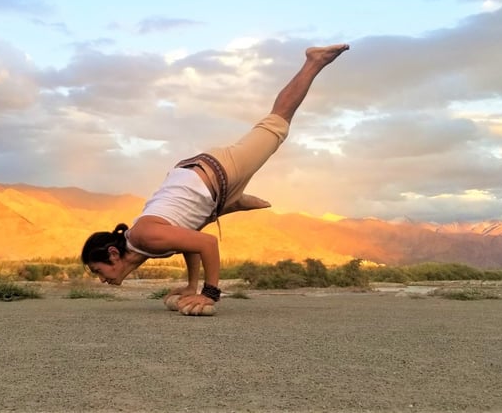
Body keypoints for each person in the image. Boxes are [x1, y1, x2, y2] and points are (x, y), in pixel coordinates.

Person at [81, 43, 349, 316]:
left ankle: (314, 61)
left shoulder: (145, 236)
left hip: (217, 171)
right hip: (206, 187)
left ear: (113, 255)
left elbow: (206, 244)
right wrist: (191, 286)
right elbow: (189, 242)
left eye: (97, 271)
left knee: (276, 124)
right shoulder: (143, 245)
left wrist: (209, 294)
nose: (101, 278)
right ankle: (234, 202)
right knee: (201, 219)